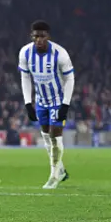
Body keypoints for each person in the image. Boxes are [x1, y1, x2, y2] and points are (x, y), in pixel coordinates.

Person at [18, 20, 75, 189]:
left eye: (42, 36)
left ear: (48, 36)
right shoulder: (25, 53)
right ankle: (61, 169)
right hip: (41, 102)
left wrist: (65, 105)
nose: (39, 40)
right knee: (46, 138)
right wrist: (28, 103)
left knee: (55, 136)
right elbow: (25, 77)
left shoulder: (60, 53)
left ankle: (54, 176)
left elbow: (70, 78)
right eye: (36, 36)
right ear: (32, 36)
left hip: (57, 101)